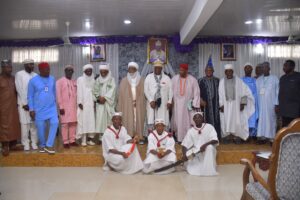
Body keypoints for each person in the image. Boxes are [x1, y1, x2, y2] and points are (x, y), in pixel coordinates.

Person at [218, 64, 254, 143]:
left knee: (237, 121)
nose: (229, 73)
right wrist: (221, 105)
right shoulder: (221, 81)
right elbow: (220, 94)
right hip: (226, 105)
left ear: (233, 71)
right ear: (225, 72)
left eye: (230, 71)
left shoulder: (239, 81)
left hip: (236, 104)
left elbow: (245, 91)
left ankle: (236, 137)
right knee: (226, 120)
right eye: (227, 71)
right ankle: (227, 137)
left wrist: (242, 103)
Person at [28, 62, 59, 154]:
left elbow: (54, 92)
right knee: (41, 129)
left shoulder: (52, 79)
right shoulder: (33, 81)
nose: (48, 71)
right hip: (39, 109)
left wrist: (55, 105)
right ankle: (42, 145)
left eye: (49, 69)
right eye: (46, 69)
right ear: (40, 70)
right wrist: (31, 109)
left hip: (51, 107)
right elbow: (30, 96)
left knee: (55, 122)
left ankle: (49, 145)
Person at [182, 112, 218, 176]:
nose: (197, 119)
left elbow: (215, 140)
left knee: (209, 147)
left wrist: (205, 145)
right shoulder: (191, 131)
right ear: (193, 120)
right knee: (188, 154)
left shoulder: (209, 127)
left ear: (202, 118)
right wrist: (184, 155)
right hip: (197, 152)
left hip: (208, 150)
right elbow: (185, 144)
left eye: (199, 117)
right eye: (195, 118)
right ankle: (199, 167)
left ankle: (209, 170)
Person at [117, 62, 146, 143]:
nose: (131, 70)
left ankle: (139, 136)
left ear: (136, 70)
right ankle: (128, 136)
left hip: (139, 105)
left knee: (138, 120)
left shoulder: (142, 80)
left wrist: (138, 101)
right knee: (128, 119)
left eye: (133, 68)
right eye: (129, 68)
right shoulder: (124, 80)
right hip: (127, 105)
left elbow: (144, 94)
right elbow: (121, 95)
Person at [172, 63, 200, 142]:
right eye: (180, 70)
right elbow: (170, 91)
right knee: (178, 122)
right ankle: (179, 138)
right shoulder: (174, 79)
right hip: (177, 105)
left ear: (186, 71)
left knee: (188, 122)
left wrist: (195, 104)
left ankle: (188, 139)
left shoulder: (193, 80)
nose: (180, 72)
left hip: (188, 104)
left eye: (182, 70)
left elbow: (197, 92)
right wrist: (171, 101)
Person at [0, 59, 23, 156]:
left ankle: (13, 144)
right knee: (4, 126)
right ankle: (5, 145)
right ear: (2, 68)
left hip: (13, 107)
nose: (10, 69)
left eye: (11, 67)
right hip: (3, 108)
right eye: (8, 67)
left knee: (14, 125)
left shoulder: (14, 78)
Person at [15, 59, 38, 151]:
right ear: (24, 65)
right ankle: (25, 143)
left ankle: (34, 142)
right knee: (24, 125)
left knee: (33, 124)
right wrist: (25, 103)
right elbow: (19, 89)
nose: (31, 66)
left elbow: (37, 91)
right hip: (23, 104)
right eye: (29, 65)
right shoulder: (19, 74)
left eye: (32, 64)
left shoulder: (36, 75)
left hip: (34, 105)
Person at [144, 60, 172, 131]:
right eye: (156, 68)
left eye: (159, 68)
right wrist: (150, 101)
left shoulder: (167, 78)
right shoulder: (149, 77)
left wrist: (169, 101)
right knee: (151, 118)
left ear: (161, 68)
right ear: (153, 68)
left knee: (163, 117)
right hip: (151, 103)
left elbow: (171, 91)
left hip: (163, 103)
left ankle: (164, 135)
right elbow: (146, 90)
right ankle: (152, 135)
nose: (157, 69)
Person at [256, 62, 279, 143]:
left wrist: (277, 104)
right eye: (262, 68)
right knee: (262, 120)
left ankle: (272, 138)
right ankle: (262, 137)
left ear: (269, 68)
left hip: (271, 104)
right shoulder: (258, 80)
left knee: (271, 120)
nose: (264, 69)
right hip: (261, 104)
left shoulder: (275, 78)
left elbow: (277, 92)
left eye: (265, 67)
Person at [93, 64, 116, 142]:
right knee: (100, 120)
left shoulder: (111, 80)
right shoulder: (97, 80)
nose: (103, 73)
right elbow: (94, 91)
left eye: (104, 72)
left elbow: (113, 90)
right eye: (101, 72)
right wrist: (99, 98)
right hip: (100, 104)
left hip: (108, 103)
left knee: (108, 120)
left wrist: (105, 98)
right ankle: (100, 138)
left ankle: (109, 137)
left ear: (107, 71)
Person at [56, 65, 78, 148]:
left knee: (73, 123)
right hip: (64, 107)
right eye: (68, 70)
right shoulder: (59, 82)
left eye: (71, 71)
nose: (70, 72)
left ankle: (72, 140)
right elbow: (59, 95)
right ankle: (65, 141)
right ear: (65, 71)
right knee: (65, 124)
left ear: (73, 72)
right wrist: (60, 106)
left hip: (73, 107)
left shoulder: (74, 82)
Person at [198, 65, 221, 139]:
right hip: (204, 104)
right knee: (205, 119)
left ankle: (215, 137)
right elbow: (197, 92)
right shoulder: (200, 80)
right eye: (207, 70)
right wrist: (200, 100)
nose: (209, 71)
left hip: (215, 105)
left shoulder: (217, 80)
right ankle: (205, 137)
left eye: (210, 70)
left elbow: (221, 92)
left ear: (213, 71)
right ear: (205, 71)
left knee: (216, 119)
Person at [77, 64, 96, 146]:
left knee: (91, 121)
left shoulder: (93, 80)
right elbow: (79, 91)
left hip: (91, 104)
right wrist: (79, 102)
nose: (89, 72)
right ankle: (83, 140)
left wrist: (95, 102)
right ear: (84, 71)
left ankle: (90, 139)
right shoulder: (80, 79)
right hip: (83, 103)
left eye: (90, 70)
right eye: (87, 70)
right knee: (83, 121)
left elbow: (95, 92)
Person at [279, 60, 300, 127]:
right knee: (285, 129)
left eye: (286, 66)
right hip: (284, 110)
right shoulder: (282, 78)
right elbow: (280, 93)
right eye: (284, 66)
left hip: (295, 110)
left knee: (295, 129)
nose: (284, 67)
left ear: (292, 67)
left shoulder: (298, 76)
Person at [241, 63, 259, 139]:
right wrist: (243, 102)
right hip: (245, 102)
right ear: (244, 69)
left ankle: (253, 135)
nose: (248, 69)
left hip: (254, 102)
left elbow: (257, 91)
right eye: (246, 68)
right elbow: (241, 92)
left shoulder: (255, 80)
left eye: (249, 68)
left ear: (252, 70)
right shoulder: (241, 80)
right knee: (245, 118)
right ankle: (245, 135)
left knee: (253, 118)